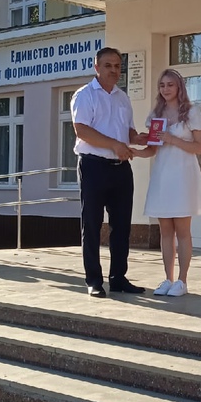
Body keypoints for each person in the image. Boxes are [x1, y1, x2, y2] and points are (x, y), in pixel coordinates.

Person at [70, 47, 147, 298]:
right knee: (92, 224)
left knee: (122, 226)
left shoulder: (123, 98)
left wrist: (138, 138)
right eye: (108, 65)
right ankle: (94, 280)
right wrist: (114, 145)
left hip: (121, 168)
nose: (114, 70)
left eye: (117, 66)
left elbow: (127, 132)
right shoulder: (84, 95)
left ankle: (118, 278)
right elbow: (82, 130)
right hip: (93, 166)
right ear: (96, 67)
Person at [139, 68, 201, 297]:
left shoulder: (191, 112)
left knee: (183, 230)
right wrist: (134, 152)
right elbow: (152, 149)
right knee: (165, 230)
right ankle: (168, 279)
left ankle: (182, 280)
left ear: (179, 87)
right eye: (162, 85)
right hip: (162, 176)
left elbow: (200, 147)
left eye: (170, 84)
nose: (166, 89)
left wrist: (172, 139)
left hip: (183, 176)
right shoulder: (156, 114)